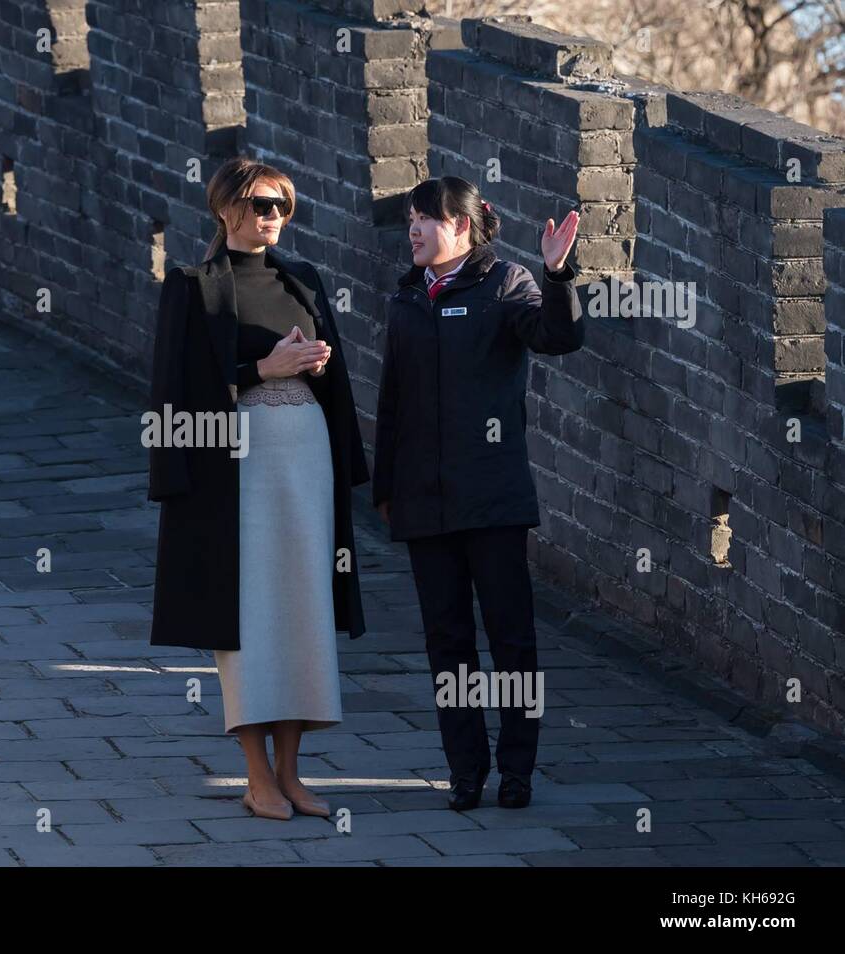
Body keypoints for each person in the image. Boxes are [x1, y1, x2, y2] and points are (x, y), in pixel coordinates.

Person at [147, 157, 369, 820]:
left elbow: (335, 384)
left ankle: (291, 773)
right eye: (261, 205)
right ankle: (255, 777)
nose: (272, 216)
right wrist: (257, 369)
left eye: (281, 206)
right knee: (246, 616)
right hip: (233, 464)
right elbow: (173, 391)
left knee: (303, 608)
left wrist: (316, 365)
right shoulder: (193, 286)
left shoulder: (304, 279)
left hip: (305, 453)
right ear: (226, 209)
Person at [373, 175, 583, 812]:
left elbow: (557, 337)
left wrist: (558, 276)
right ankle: (466, 770)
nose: (413, 229)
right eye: (410, 218)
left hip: (491, 499)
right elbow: (393, 404)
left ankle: (517, 770)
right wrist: (385, 487)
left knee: (511, 638)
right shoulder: (409, 297)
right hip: (425, 501)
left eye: (426, 219)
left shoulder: (505, 283)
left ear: (461, 225)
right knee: (448, 644)